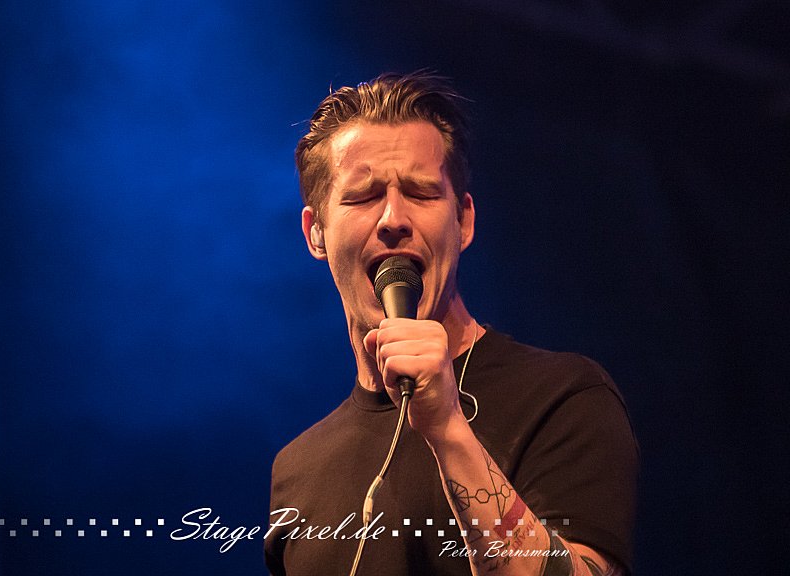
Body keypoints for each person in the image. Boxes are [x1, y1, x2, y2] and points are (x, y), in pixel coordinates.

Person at [264, 72, 638, 576]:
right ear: (316, 233)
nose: (393, 218)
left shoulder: (562, 396)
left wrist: (446, 427)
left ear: (463, 221)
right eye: (363, 196)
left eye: (420, 193)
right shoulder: (298, 470)